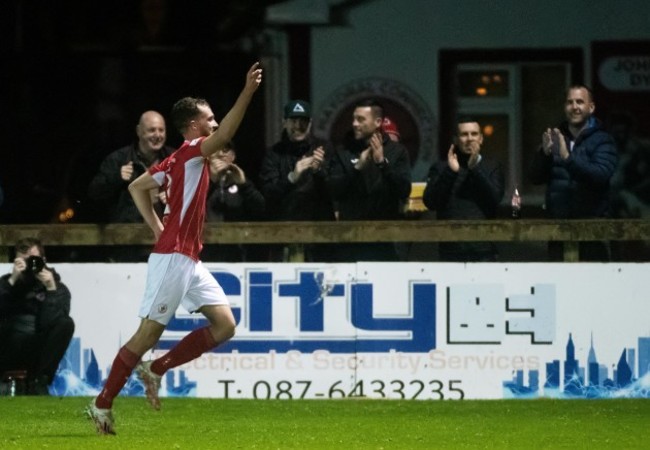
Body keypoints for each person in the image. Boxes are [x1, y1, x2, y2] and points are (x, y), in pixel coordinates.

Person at [86, 62, 262, 435]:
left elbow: (137, 188)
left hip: (187, 257)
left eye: (215, 118)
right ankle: (101, 404)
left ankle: (157, 368)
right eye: (210, 118)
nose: (215, 124)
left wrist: (157, 227)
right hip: (173, 258)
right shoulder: (196, 150)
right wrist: (247, 91)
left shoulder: (176, 157)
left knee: (225, 325)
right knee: (146, 335)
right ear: (194, 126)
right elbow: (229, 131)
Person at [529, 85, 618, 261]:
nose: (575, 107)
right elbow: (535, 178)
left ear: (591, 108)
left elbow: (600, 175)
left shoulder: (603, 140)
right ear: (565, 107)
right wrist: (544, 155)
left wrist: (566, 158)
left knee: (593, 287)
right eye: (570, 102)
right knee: (559, 286)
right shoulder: (555, 137)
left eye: (580, 102)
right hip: (558, 230)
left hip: (593, 231)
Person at [328, 99, 412, 261]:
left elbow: (403, 190)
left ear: (378, 122)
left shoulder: (397, 152)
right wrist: (357, 168)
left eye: (361, 119)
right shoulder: (343, 152)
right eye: (353, 118)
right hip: (350, 240)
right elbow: (334, 192)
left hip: (386, 241)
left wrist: (382, 163)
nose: (354, 124)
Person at [87, 110, 175, 261]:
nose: (157, 135)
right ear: (139, 132)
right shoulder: (118, 159)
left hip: (167, 247)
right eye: (151, 130)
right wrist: (116, 178)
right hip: (126, 247)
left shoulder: (175, 159)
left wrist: (175, 195)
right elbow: (94, 193)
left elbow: (195, 193)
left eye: (161, 130)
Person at [258, 99, 336, 261]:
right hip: (283, 234)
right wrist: (292, 177)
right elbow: (268, 193)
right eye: (293, 121)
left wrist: (319, 171)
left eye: (303, 121)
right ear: (284, 122)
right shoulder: (274, 154)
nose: (298, 126)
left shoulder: (325, 149)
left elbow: (336, 190)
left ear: (310, 123)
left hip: (319, 236)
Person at [423, 118, 505, 261]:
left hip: (484, 250)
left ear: (481, 139)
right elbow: (431, 202)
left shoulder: (492, 166)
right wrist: (451, 172)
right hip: (451, 251)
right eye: (464, 134)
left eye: (474, 134)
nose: (469, 139)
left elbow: (495, 199)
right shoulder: (441, 167)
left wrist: (475, 169)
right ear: (456, 139)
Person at [0, 238, 75, 395]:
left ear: (43, 261)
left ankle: (39, 381)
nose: (29, 265)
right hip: (8, 346)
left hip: (39, 350)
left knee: (66, 323)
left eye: (33, 260)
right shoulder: (6, 284)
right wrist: (12, 281)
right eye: (24, 260)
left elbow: (51, 324)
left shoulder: (58, 289)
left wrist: (51, 290)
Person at [202, 140, 266, 262]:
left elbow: (261, 208)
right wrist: (212, 180)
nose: (221, 154)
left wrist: (244, 185)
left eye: (226, 150)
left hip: (235, 253)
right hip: (204, 253)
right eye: (216, 149)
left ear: (233, 156)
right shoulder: (197, 181)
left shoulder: (240, 181)